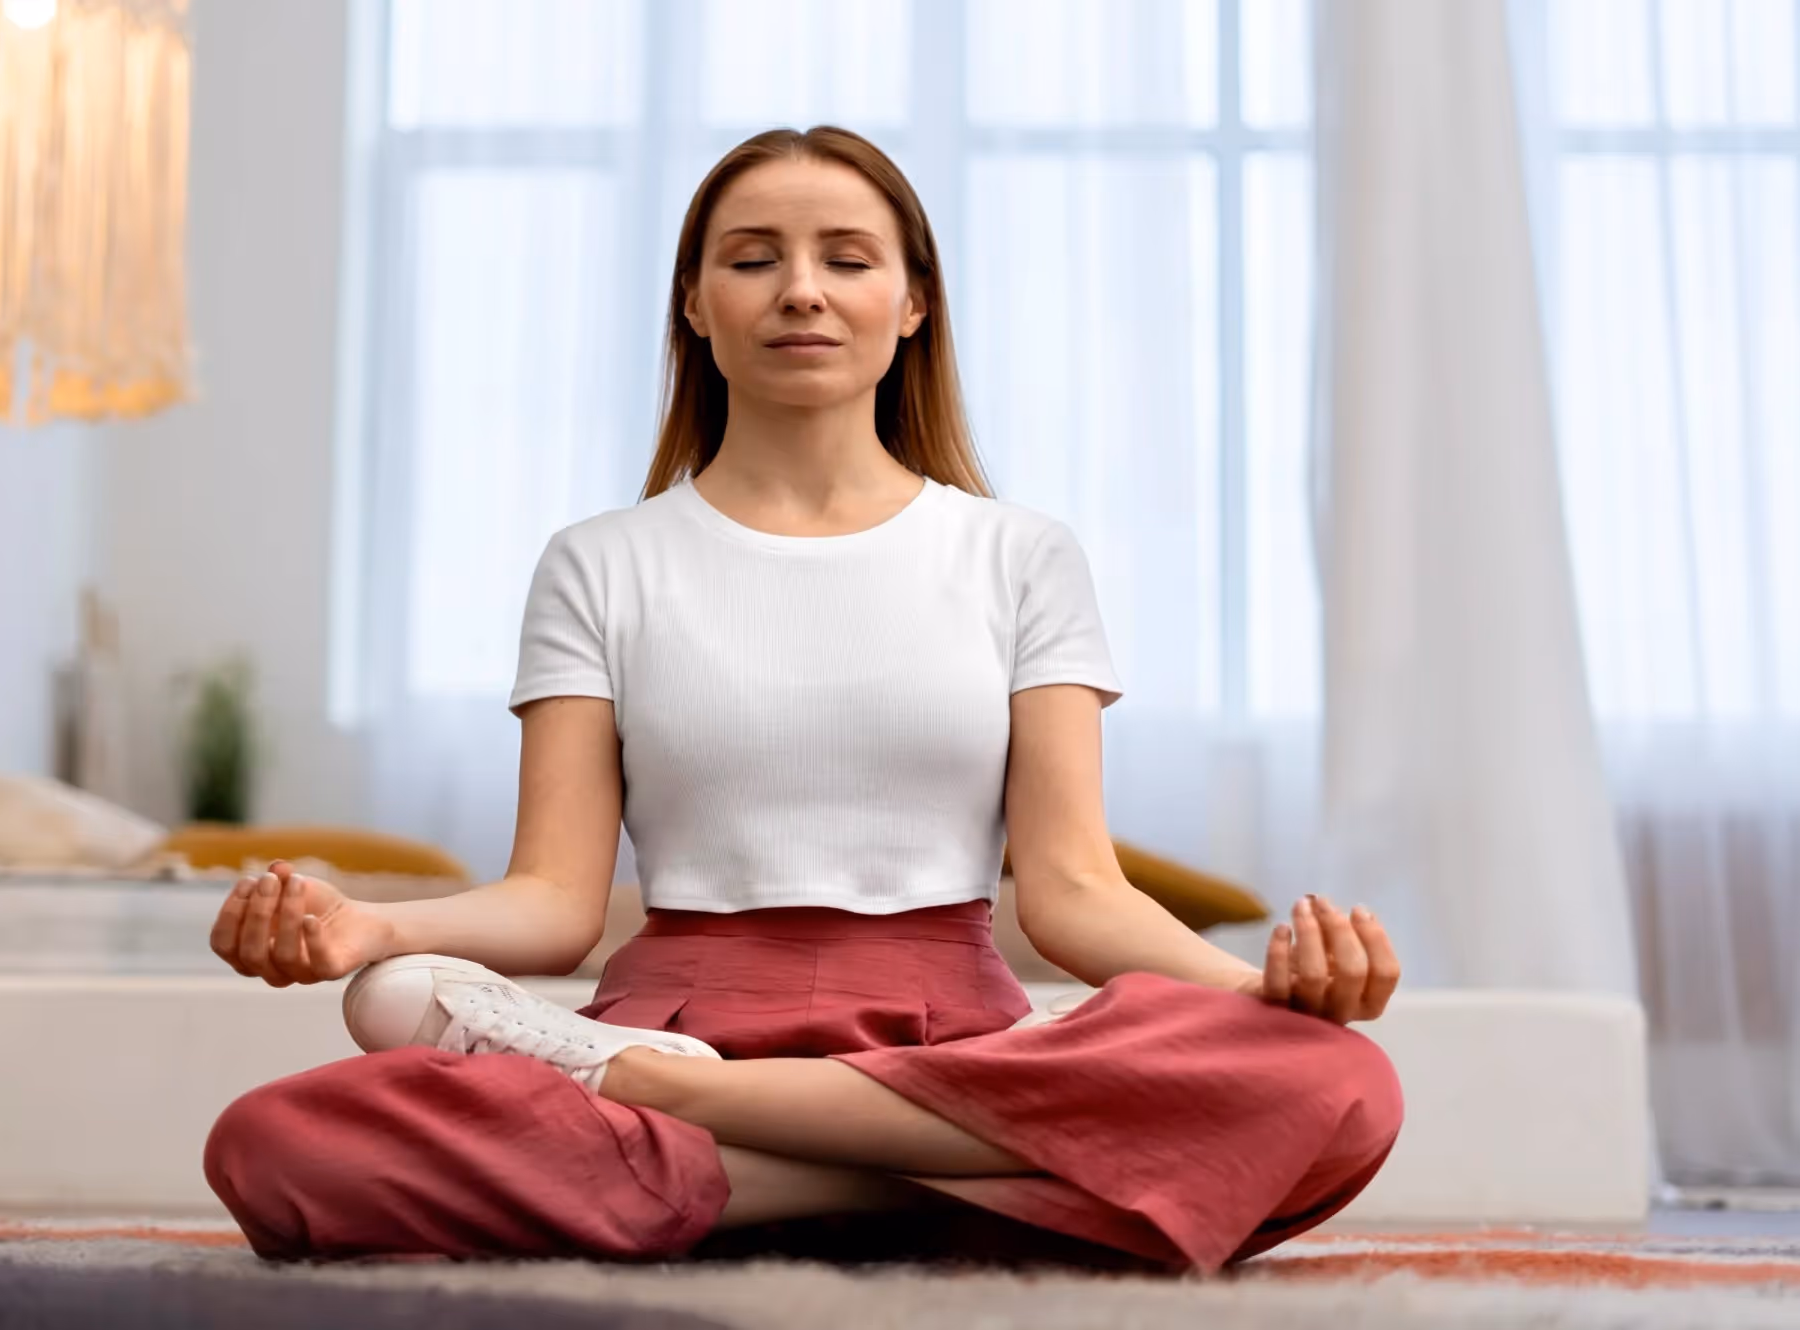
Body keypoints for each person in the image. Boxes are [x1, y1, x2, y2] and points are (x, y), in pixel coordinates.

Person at [202, 125, 1403, 1275]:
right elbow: (556, 904)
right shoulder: (600, 561)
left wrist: (1264, 1002)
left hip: (938, 1047)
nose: (801, 290)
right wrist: (376, 932)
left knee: (1339, 1083)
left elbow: (1076, 894)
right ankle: (925, 1177)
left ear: (912, 302)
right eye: (752, 257)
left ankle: (696, 1122)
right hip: (683, 1007)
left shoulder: (1019, 555)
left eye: (845, 257)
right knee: (277, 1145)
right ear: (694, 304)